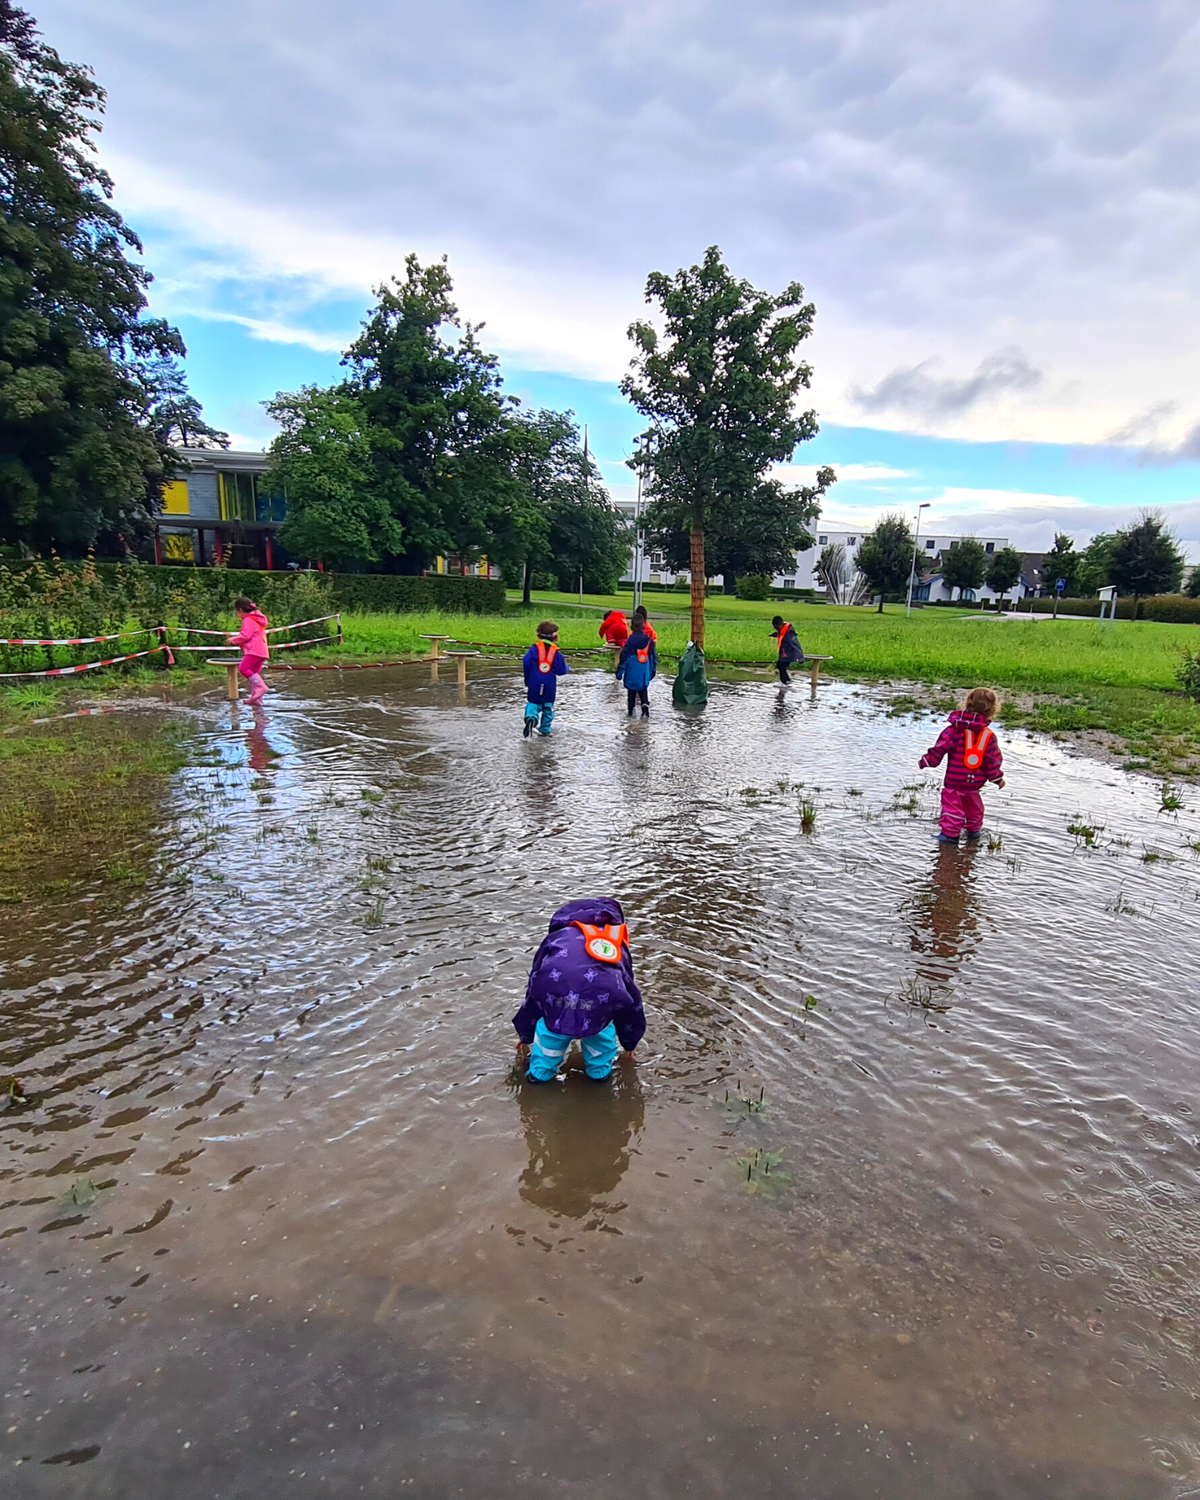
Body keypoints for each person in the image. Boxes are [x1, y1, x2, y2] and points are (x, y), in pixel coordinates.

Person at [513, 897, 646, 1084]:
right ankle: (599, 1080)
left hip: (556, 996)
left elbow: (535, 988)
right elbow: (630, 997)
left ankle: (537, 1082)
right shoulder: (615, 943)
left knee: (549, 1038)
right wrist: (629, 1042)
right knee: (601, 1033)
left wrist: (525, 1033)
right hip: (601, 1000)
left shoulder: (556, 938)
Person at [919, 687, 1006, 844]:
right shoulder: (989, 735)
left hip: (954, 781)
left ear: (967, 703)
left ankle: (950, 836)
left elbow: (939, 749)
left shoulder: (953, 730)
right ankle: (973, 833)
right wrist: (997, 778)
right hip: (974, 784)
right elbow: (993, 760)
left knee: (952, 807)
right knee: (974, 808)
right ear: (992, 710)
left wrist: (927, 761)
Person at [522, 620, 569, 737]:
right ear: (555, 637)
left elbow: (526, 662)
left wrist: (527, 679)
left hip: (534, 684)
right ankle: (545, 730)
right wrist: (567, 667)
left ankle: (531, 718)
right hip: (549, 686)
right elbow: (561, 671)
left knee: (533, 704)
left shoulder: (533, 649)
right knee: (548, 708)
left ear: (538, 635)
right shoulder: (556, 652)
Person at [226, 596, 270, 706]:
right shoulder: (257, 619)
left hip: (253, 650)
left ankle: (261, 688)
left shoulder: (249, 620)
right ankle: (256, 698)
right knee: (254, 674)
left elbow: (246, 635)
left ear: (240, 610)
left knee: (243, 668)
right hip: (262, 650)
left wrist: (233, 640)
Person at [616, 619, 656, 717]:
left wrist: (619, 673)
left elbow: (624, 659)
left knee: (631, 692)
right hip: (644, 673)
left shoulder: (629, 642)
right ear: (644, 627)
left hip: (631, 673)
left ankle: (630, 712)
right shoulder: (649, 642)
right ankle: (645, 707)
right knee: (643, 690)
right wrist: (652, 672)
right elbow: (653, 659)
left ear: (631, 628)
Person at [770, 616, 804, 684]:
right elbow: (782, 635)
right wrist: (776, 634)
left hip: (790, 654)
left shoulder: (789, 632)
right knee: (780, 666)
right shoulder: (783, 629)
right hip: (785, 653)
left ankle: (786, 682)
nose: (777, 629)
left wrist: (800, 657)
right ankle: (785, 682)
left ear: (781, 625)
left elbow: (796, 645)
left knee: (781, 666)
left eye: (777, 628)